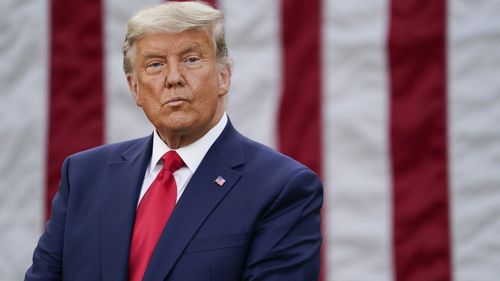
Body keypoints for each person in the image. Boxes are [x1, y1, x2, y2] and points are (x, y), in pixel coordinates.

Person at [25, 2, 323, 280]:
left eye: (191, 60)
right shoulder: (83, 176)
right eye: (155, 65)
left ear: (224, 76)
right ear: (135, 88)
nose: (173, 78)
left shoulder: (282, 188)